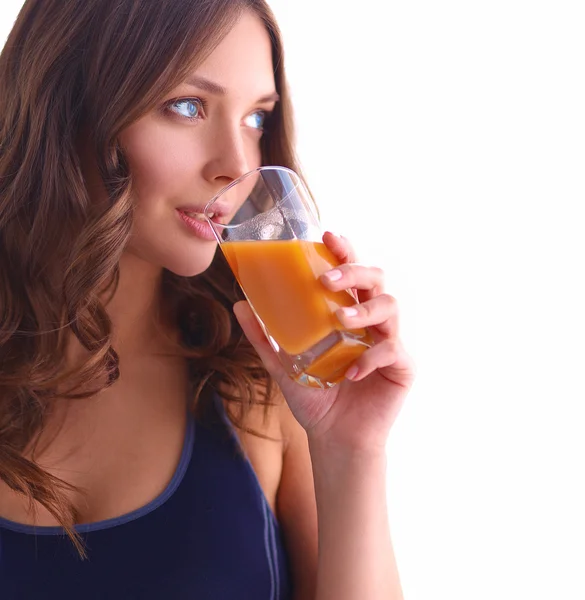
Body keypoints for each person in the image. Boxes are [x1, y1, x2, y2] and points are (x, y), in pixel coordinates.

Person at [0, 0, 415, 598]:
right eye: (188, 106)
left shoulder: (268, 383)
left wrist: (352, 450)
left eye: (256, 119)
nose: (238, 165)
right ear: (69, 107)